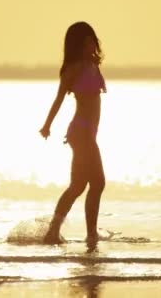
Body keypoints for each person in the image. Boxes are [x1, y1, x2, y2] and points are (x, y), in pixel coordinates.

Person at [39, 21, 107, 245]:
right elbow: (59, 98)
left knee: (79, 186)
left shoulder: (92, 64)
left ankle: (54, 231)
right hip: (82, 133)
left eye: (93, 39)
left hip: (87, 133)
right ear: (78, 44)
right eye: (87, 41)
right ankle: (90, 235)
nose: (92, 44)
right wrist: (47, 125)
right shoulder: (74, 68)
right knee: (97, 183)